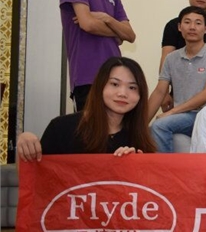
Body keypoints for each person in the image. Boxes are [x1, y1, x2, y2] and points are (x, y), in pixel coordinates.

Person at [16, 57, 155, 161]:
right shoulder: (61, 128)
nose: (122, 93)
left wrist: (137, 167)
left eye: (132, 87)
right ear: (100, 86)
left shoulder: (140, 139)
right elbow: (33, 177)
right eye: (114, 84)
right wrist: (25, 147)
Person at [148, 6, 206, 152]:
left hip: (204, 115)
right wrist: (138, 125)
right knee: (149, 130)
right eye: (187, 22)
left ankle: (163, 167)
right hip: (180, 116)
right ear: (179, 27)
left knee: (160, 126)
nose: (192, 27)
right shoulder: (171, 58)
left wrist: (172, 112)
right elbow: (159, 92)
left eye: (198, 23)